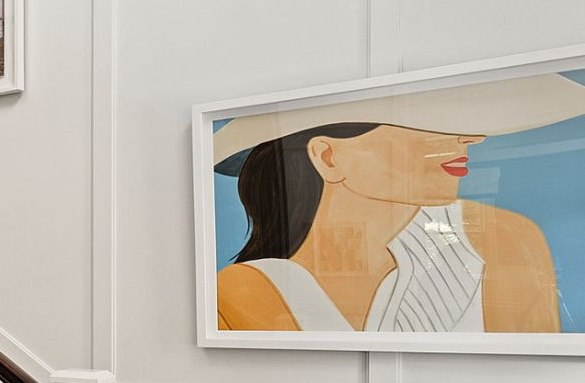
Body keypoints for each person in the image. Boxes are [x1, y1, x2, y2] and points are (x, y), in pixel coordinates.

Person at [212, 73, 585, 334]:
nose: (471, 137)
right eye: (429, 123)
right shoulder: (249, 289)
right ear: (328, 156)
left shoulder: (501, 239)